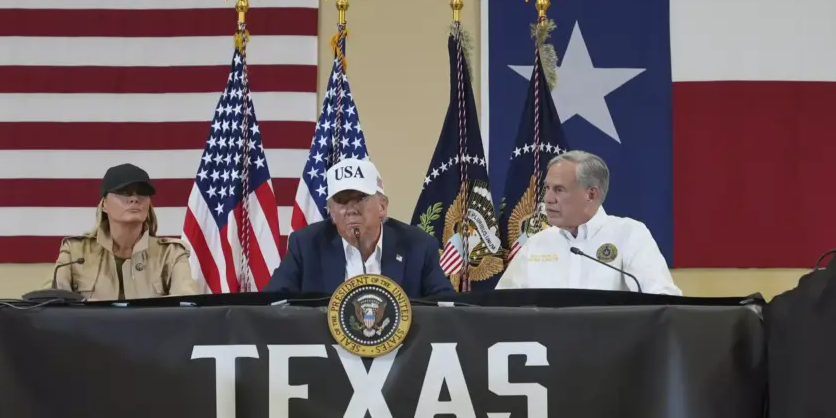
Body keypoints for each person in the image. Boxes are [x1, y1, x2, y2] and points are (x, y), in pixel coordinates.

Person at [496, 151, 681, 295]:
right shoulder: (537, 243)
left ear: (591, 194)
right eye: (547, 188)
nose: (548, 199)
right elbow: (502, 307)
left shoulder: (629, 234)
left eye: (559, 189)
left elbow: (663, 297)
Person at [266, 159, 454, 298]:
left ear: (382, 207)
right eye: (341, 201)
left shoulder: (418, 246)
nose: (351, 209)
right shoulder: (306, 244)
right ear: (331, 212)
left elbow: (444, 307)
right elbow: (272, 302)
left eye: (360, 198)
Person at [51, 163, 200, 301]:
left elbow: (186, 308)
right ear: (104, 204)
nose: (134, 199)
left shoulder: (171, 254)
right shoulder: (74, 252)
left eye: (142, 193)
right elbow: (54, 309)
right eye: (124, 192)